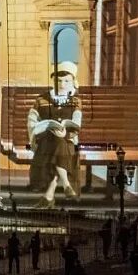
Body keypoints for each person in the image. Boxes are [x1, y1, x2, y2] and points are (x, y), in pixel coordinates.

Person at [27, 62, 83, 206]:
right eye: (58, 80)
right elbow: (32, 122)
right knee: (56, 141)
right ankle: (66, 184)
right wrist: (43, 128)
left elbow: (76, 123)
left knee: (59, 143)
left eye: (66, 81)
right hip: (45, 140)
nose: (62, 84)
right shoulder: (41, 100)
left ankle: (49, 196)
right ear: (53, 81)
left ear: (72, 82)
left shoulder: (75, 101)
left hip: (67, 141)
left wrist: (65, 132)